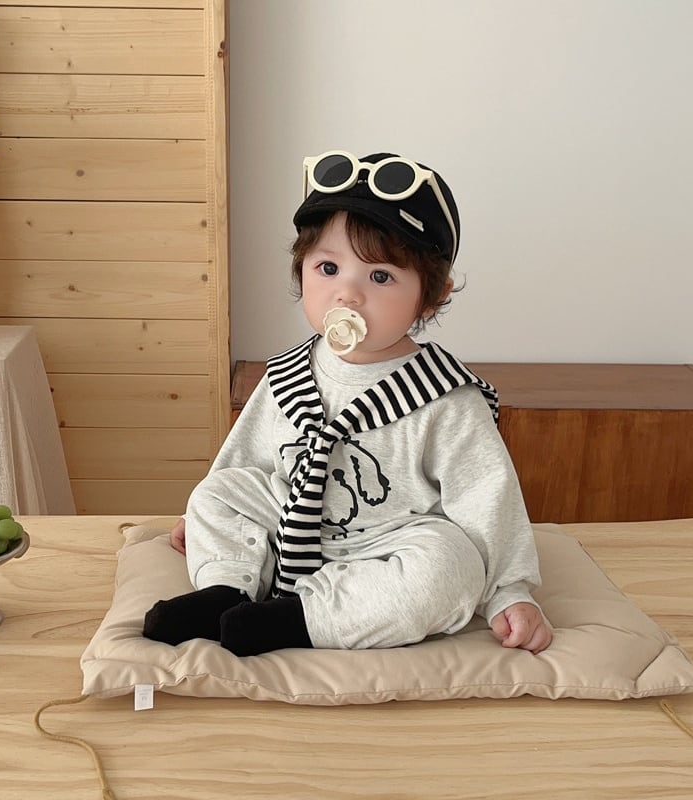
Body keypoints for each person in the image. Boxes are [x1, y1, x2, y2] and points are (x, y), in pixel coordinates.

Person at [143, 150, 553, 657]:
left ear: (432, 297)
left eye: (380, 277)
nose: (347, 294)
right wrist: (208, 519)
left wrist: (510, 591)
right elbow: (247, 456)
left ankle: (298, 620)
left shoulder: (445, 398)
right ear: (301, 272)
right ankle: (226, 590)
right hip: (288, 518)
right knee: (218, 491)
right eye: (328, 268)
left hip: (387, 543)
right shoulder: (288, 373)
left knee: (452, 565)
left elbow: (488, 498)